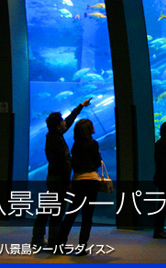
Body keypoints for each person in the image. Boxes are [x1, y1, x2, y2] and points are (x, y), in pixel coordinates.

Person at [31, 99, 91, 249]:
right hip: (59, 182)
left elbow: (69, 122)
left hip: (53, 179)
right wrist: (67, 183)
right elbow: (63, 163)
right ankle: (53, 241)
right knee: (56, 212)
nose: (65, 122)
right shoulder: (56, 140)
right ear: (58, 125)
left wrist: (80, 107)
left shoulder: (52, 135)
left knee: (46, 209)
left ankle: (38, 239)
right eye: (62, 121)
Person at [56, 119, 102, 256]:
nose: (94, 126)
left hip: (77, 181)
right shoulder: (93, 144)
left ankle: (60, 244)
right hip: (91, 181)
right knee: (87, 216)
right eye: (91, 125)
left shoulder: (75, 146)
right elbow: (97, 163)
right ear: (88, 129)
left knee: (71, 213)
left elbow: (73, 164)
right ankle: (82, 247)